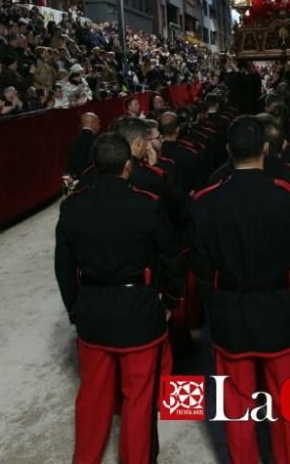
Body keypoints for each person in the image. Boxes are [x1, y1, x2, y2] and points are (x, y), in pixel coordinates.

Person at [191, 116, 290, 463]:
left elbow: (201, 266)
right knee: (289, 406)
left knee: (237, 407)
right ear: (266, 148)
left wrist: (212, 307)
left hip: (230, 313)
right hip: (281, 310)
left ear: (229, 150)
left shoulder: (205, 201)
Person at [54, 133, 182, 463]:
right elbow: (170, 258)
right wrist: (170, 300)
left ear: (95, 167)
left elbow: (64, 268)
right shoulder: (146, 204)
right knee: (138, 400)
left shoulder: (72, 207)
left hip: (93, 312)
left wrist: (74, 308)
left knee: (92, 399)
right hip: (138, 310)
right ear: (128, 167)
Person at [65, 112, 100, 181]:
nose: (99, 126)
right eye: (98, 123)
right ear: (93, 123)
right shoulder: (96, 141)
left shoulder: (75, 141)